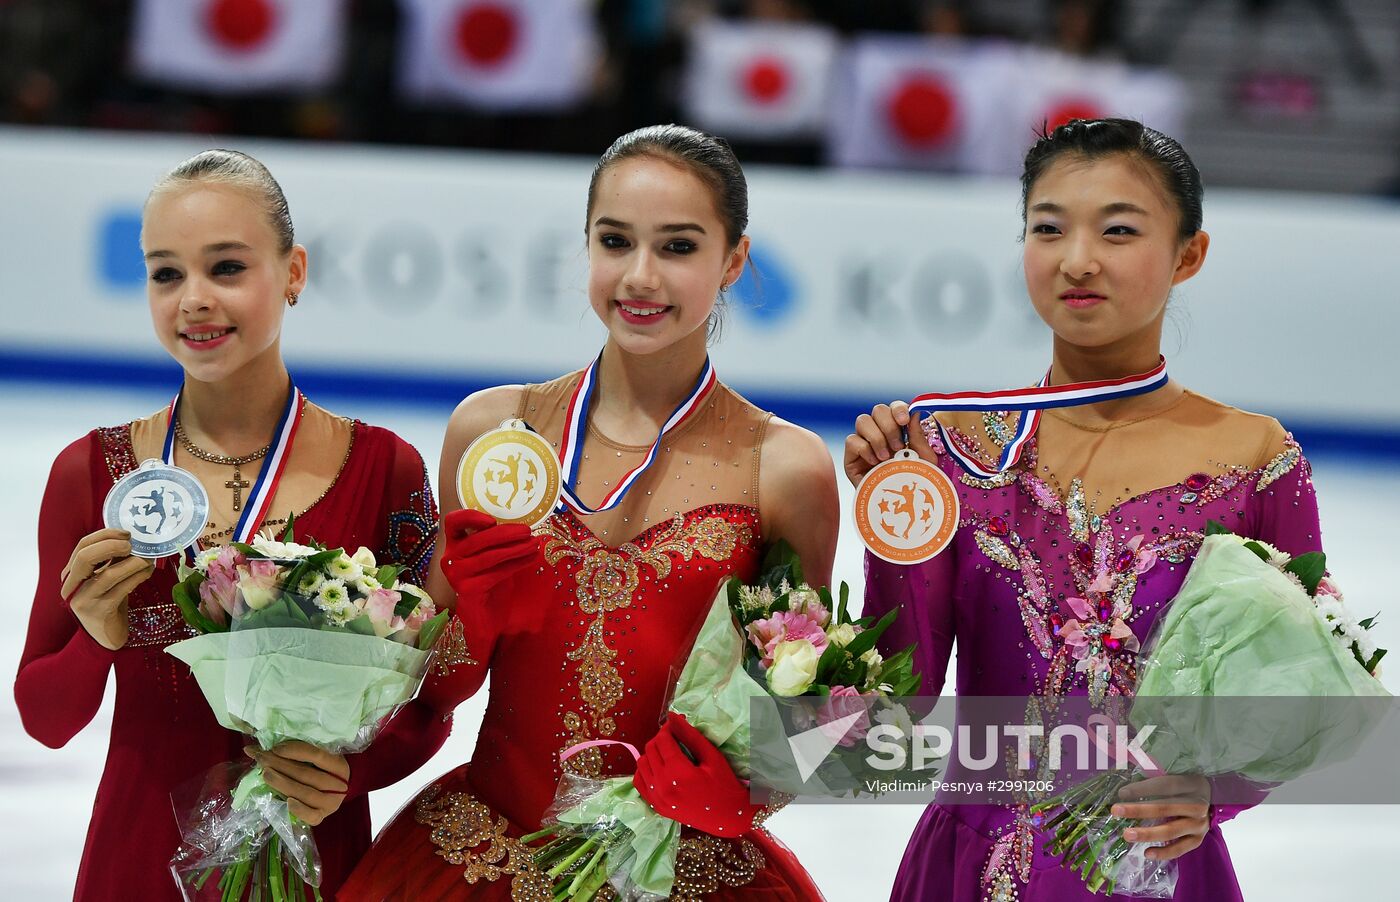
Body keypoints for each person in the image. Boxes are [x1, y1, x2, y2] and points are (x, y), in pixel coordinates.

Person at [340, 124, 839, 900]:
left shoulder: (785, 468)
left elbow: (801, 715)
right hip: (484, 859)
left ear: (734, 259)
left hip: (686, 873)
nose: (640, 277)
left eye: (678, 247)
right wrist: (467, 605)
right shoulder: (496, 434)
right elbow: (436, 690)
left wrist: (746, 794)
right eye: (616, 241)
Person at [846, 118, 1322, 902]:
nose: (1077, 260)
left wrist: (1215, 790)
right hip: (976, 861)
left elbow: (1299, 688)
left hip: (1156, 866)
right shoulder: (951, 445)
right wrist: (892, 519)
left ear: (1189, 255)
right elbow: (905, 694)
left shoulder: (1255, 459)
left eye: (1119, 230)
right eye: (1048, 228)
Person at [14, 150, 442, 900]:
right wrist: (93, 639)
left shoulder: (387, 469)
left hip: (315, 856)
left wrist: (351, 774)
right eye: (166, 273)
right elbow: (44, 719)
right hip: (139, 859)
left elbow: (430, 693)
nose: (194, 300)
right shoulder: (91, 473)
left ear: (294, 271)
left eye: (227, 268)